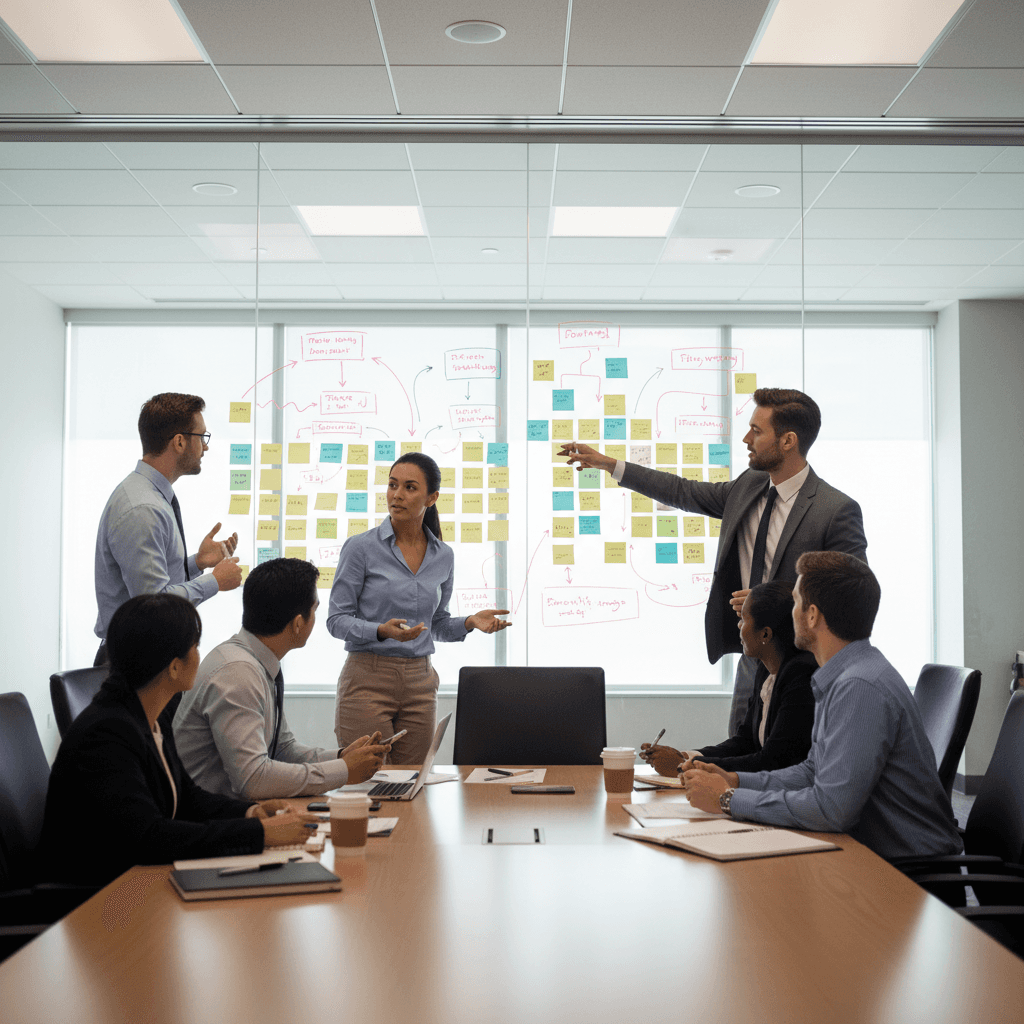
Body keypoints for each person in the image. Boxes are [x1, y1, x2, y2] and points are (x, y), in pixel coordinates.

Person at [562, 387, 867, 736]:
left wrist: (773, 597)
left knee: (784, 761)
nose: (745, 438)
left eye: (757, 430)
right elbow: (682, 491)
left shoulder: (835, 510)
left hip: (804, 665)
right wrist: (610, 465)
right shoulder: (748, 487)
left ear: (788, 441)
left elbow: (851, 594)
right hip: (753, 657)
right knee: (738, 748)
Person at [682, 552, 963, 862]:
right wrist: (734, 779)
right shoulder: (845, 675)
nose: (792, 613)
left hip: (907, 876)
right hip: (874, 858)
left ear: (812, 615)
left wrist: (727, 799)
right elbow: (812, 772)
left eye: (797, 602)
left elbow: (831, 810)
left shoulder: (859, 687)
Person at [40, 594, 318, 888]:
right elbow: (149, 837)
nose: (200, 655)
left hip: (135, 885)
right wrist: (260, 834)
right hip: (96, 902)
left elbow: (187, 798)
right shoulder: (106, 734)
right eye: (195, 646)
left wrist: (251, 814)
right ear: (173, 667)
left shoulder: (150, 718)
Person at [327, 451, 510, 764]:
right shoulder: (361, 548)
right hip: (367, 679)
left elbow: (435, 625)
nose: (397, 495)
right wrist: (380, 631)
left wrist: (468, 622)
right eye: (392, 485)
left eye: (410, 487)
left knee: (413, 785)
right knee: (370, 782)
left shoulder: (444, 556)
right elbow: (336, 620)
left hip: (420, 683)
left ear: (431, 497)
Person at [174, 558, 390, 799]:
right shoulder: (237, 674)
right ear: (298, 623)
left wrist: (341, 758)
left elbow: (281, 748)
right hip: (211, 822)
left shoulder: (256, 661)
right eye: (315, 610)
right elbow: (253, 779)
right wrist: (344, 771)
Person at [93, 392, 242, 666]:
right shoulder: (142, 508)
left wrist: (197, 563)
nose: (205, 448)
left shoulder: (152, 496)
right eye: (202, 437)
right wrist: (215, 581)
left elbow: (152, 581)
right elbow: (154, 605)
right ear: (180, 441)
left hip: (146, 656)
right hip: (136, 664)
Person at [640, 580, 816, 775]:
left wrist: (688, 765)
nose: (739, 626)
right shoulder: (765, 671)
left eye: (744, 619)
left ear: (765, 634)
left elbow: (772, 761)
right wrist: (686, 756)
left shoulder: (801, 677)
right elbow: (745, 741)